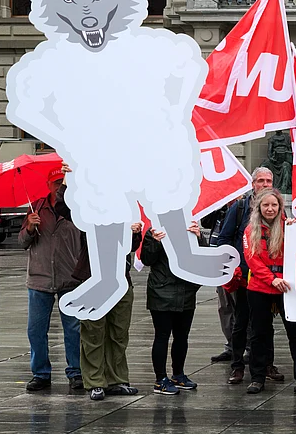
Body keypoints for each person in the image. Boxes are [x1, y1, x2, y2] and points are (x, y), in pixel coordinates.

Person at [214, 167, 284, 385]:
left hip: (269, 278)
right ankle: (237, 366)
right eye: (260, 180)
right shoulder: (240, 206)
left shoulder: (278, 209)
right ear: (253, 184)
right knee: (241, 323)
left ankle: (266, 365)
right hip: (244, 276)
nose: (264, 184)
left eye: (268, 180)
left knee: (265, 325)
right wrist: (233, 266)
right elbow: (224, 239)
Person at [20, 168, 85, 392]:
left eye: (63, 182)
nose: (59, 186)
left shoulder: (77, 208)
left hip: (70, 279)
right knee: (36, 330)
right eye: (56, 182)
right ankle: (40, 373)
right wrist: (29, 228)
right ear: (48, 184)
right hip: (40, 280)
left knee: (74, 329)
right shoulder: (36, 207)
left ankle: (76, 371)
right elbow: (22, 242)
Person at [242, 188, 296, 395]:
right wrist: (272, 280)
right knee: (259, 334)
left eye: (274, 205)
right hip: (260, 287)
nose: (270, 209)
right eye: (266, 205)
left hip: (287, 287)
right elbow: (252, 260)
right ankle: (257, 377)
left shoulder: (289, 228)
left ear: (280, 207)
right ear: (259, 207)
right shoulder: (250, 231)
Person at [75, 220, 142, 401]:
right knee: (93, 332)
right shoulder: (89, 208)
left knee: (119, 332)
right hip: (94, 279)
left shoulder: (126, 206)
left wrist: (135, 233)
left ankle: (117, 379)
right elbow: (66, 208)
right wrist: (67, 189)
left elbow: (131, 247)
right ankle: (95, 382)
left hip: (121, 279)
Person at [143, 219, 206, 396]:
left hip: (186, 290)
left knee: (182, 336)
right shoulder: (155, 228)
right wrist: (154, 241)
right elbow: (147, 259)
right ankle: (160, 379)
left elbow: (202, 255)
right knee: (162, 335)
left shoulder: (190, 225)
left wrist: (199, 237)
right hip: (161, 291)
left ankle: (178, 374)